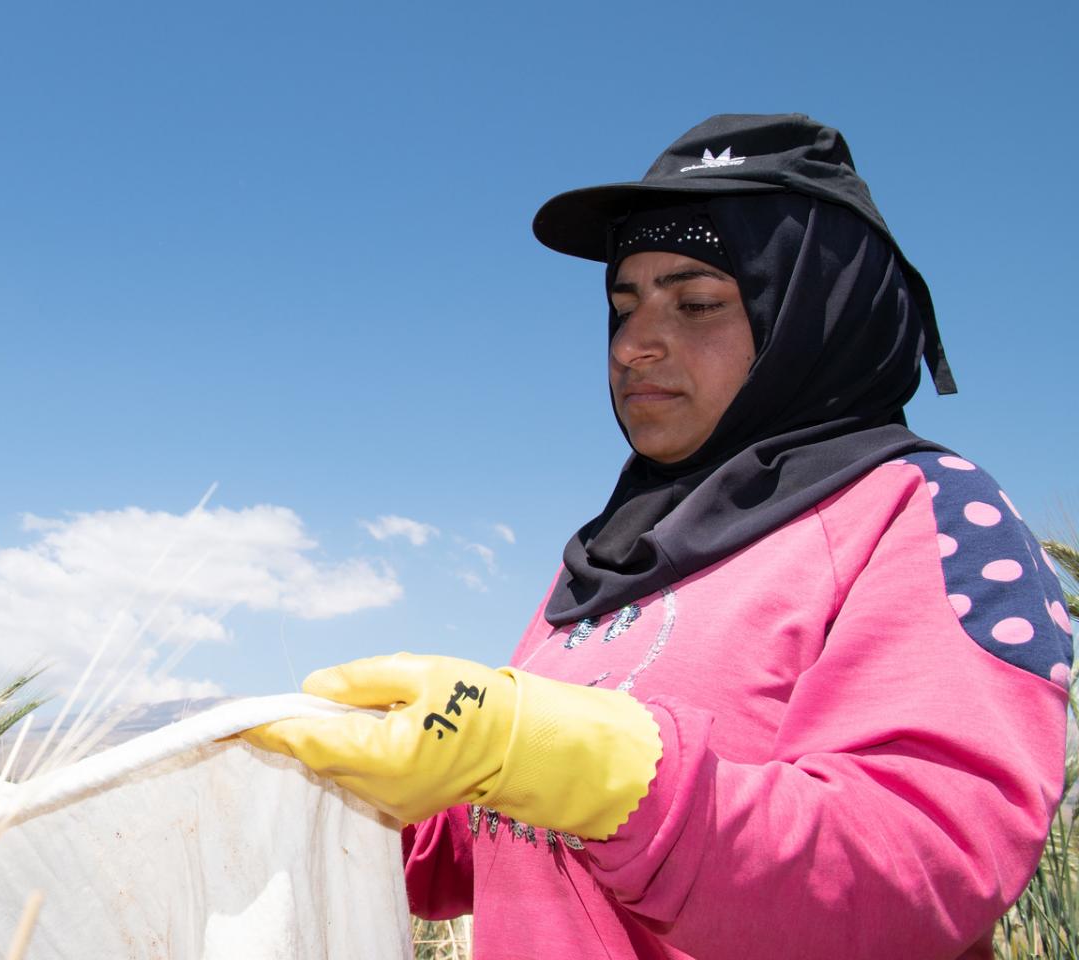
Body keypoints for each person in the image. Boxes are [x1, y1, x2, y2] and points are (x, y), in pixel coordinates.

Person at [242, 114, 1072, 958]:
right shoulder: (610, 556)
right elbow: (513, 837)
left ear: (816, 314)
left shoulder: (917, 513)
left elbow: (919, 876)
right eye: (622, 305)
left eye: (698, 302)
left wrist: (589, 770)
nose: (635, 346)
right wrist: (359, 799)